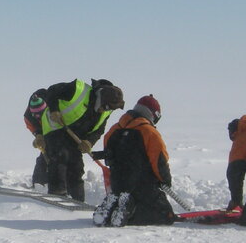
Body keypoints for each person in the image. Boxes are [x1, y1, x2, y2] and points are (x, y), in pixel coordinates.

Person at [92, 94, 176, 226]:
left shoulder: (114, 129)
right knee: (166, 215)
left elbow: (109, 158)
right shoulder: (149, 132)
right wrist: (165, 181)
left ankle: (112, 206)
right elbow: (160, 162)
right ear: (152, 114)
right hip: (142, 186)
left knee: (122, 195)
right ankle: (128, 208)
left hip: (118, 184)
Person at [37, 79, 124, 202]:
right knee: (60, 156)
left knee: (77, 166)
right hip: (55, 127)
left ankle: (77, 199)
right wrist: (54, 109)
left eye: (110, 109)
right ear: (102, 98)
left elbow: (99, 130)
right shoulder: (78, 90)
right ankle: (57, 193)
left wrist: (89, 142)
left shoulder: (105, 111)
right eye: (106, 107)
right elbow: (52, 91)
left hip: (74, 135)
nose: (106, 110)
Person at [23, 90, 49, 188]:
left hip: (58, 133)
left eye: (41, 114)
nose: (39, 117)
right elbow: (32, 127)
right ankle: (39, 183)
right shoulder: (28, 117)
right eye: (36, 115)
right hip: (43, 133)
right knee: (44, 157)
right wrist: (38, 136)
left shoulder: (54, 110)